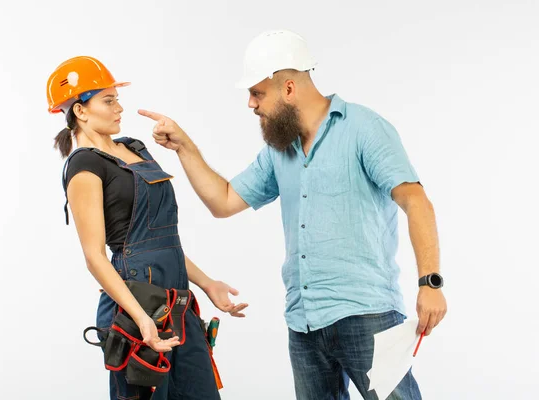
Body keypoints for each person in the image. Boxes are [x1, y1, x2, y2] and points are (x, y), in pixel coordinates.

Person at [137, 30, 448, 400]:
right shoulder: (279, 150)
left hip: (367, 316)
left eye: (257, 93)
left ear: (287, 88)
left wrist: (430, 283)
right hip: (303, 323)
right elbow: (223, 201)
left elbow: (417, 202)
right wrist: (184, 148)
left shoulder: (364, 129)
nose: (251, 104)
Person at [46, 55, 247, 400]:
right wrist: (141, 319)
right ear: (80, 110)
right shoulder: (84, 166)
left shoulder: (134, 148)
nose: (119, 108)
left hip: (177, 302)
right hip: (136, 307)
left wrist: (207, 283)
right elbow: (95, 257)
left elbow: (160, 241)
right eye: (108, 100)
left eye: (117, 98)